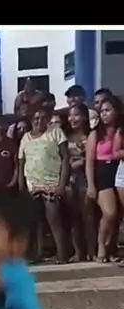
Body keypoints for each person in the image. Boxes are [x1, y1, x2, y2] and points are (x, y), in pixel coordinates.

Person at [18, 108, 69, 263]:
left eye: (43, 118)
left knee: (53, 219)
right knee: (36, 221)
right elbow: (21, 163)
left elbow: (65, 158)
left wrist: (61, 185)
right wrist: (21, 186)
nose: (39, 121)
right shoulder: (25, 138)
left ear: (48, 119)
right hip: (32, 184)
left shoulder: (56, 133)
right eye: (36, 118)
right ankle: (37, 254)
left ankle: (63, 255)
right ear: (31, 120)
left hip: (51, 183)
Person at [86, 95, 122, 262]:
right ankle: (101, 245)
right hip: (101, 173)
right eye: (102, 111)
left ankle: (111, 248)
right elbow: (89, 162)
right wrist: (91, 185)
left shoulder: (120, 131)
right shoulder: (95, 134)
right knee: (109, 212)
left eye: (108, 110)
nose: (104, 114)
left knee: (118, 214)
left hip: (118, 170)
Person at [66, 103, 95, 261]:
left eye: (76, 115)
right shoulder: (66, 136)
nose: (72, 118)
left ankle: (92, 251)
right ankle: (78, 252)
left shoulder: (91, 135)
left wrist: (82, 161)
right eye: (70, 115)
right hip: (70, 180)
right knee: (73, 217)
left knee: (88, 216)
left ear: (84, 116)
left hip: (86, 179)